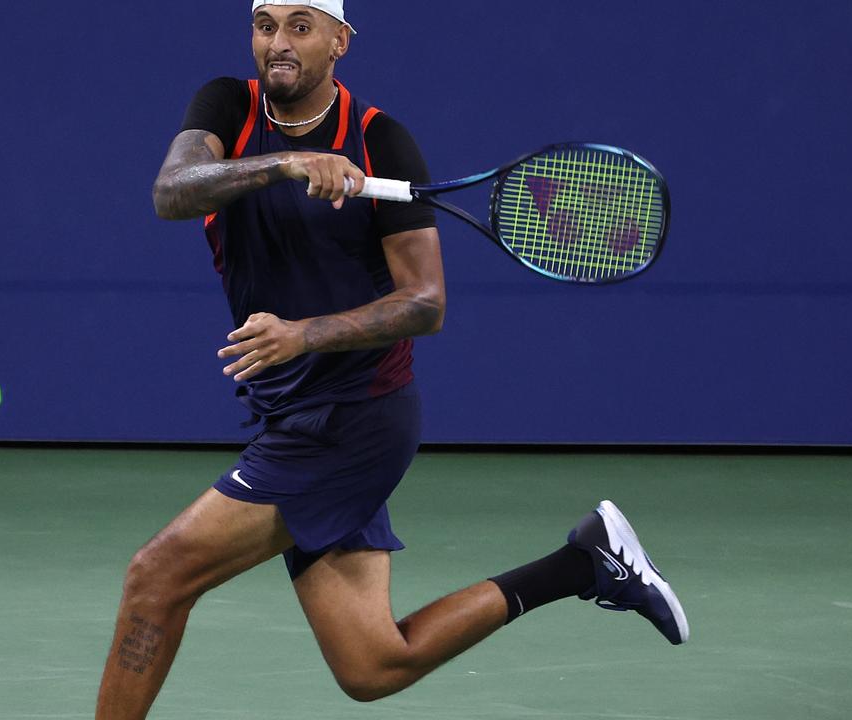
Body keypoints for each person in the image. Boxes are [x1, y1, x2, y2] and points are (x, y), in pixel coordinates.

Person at [95, 2, 688, 717]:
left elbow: (424, 303)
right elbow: (172, 192)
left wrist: (305, 334)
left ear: (341, 41)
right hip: (292, 412)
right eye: (265, 25)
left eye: (300, 26)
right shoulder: (226, 105)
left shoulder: (383, 142)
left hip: (353, 420)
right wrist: (287, 164)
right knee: (374, 665)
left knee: (156, 578)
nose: (278, 44)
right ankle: (585, 562)